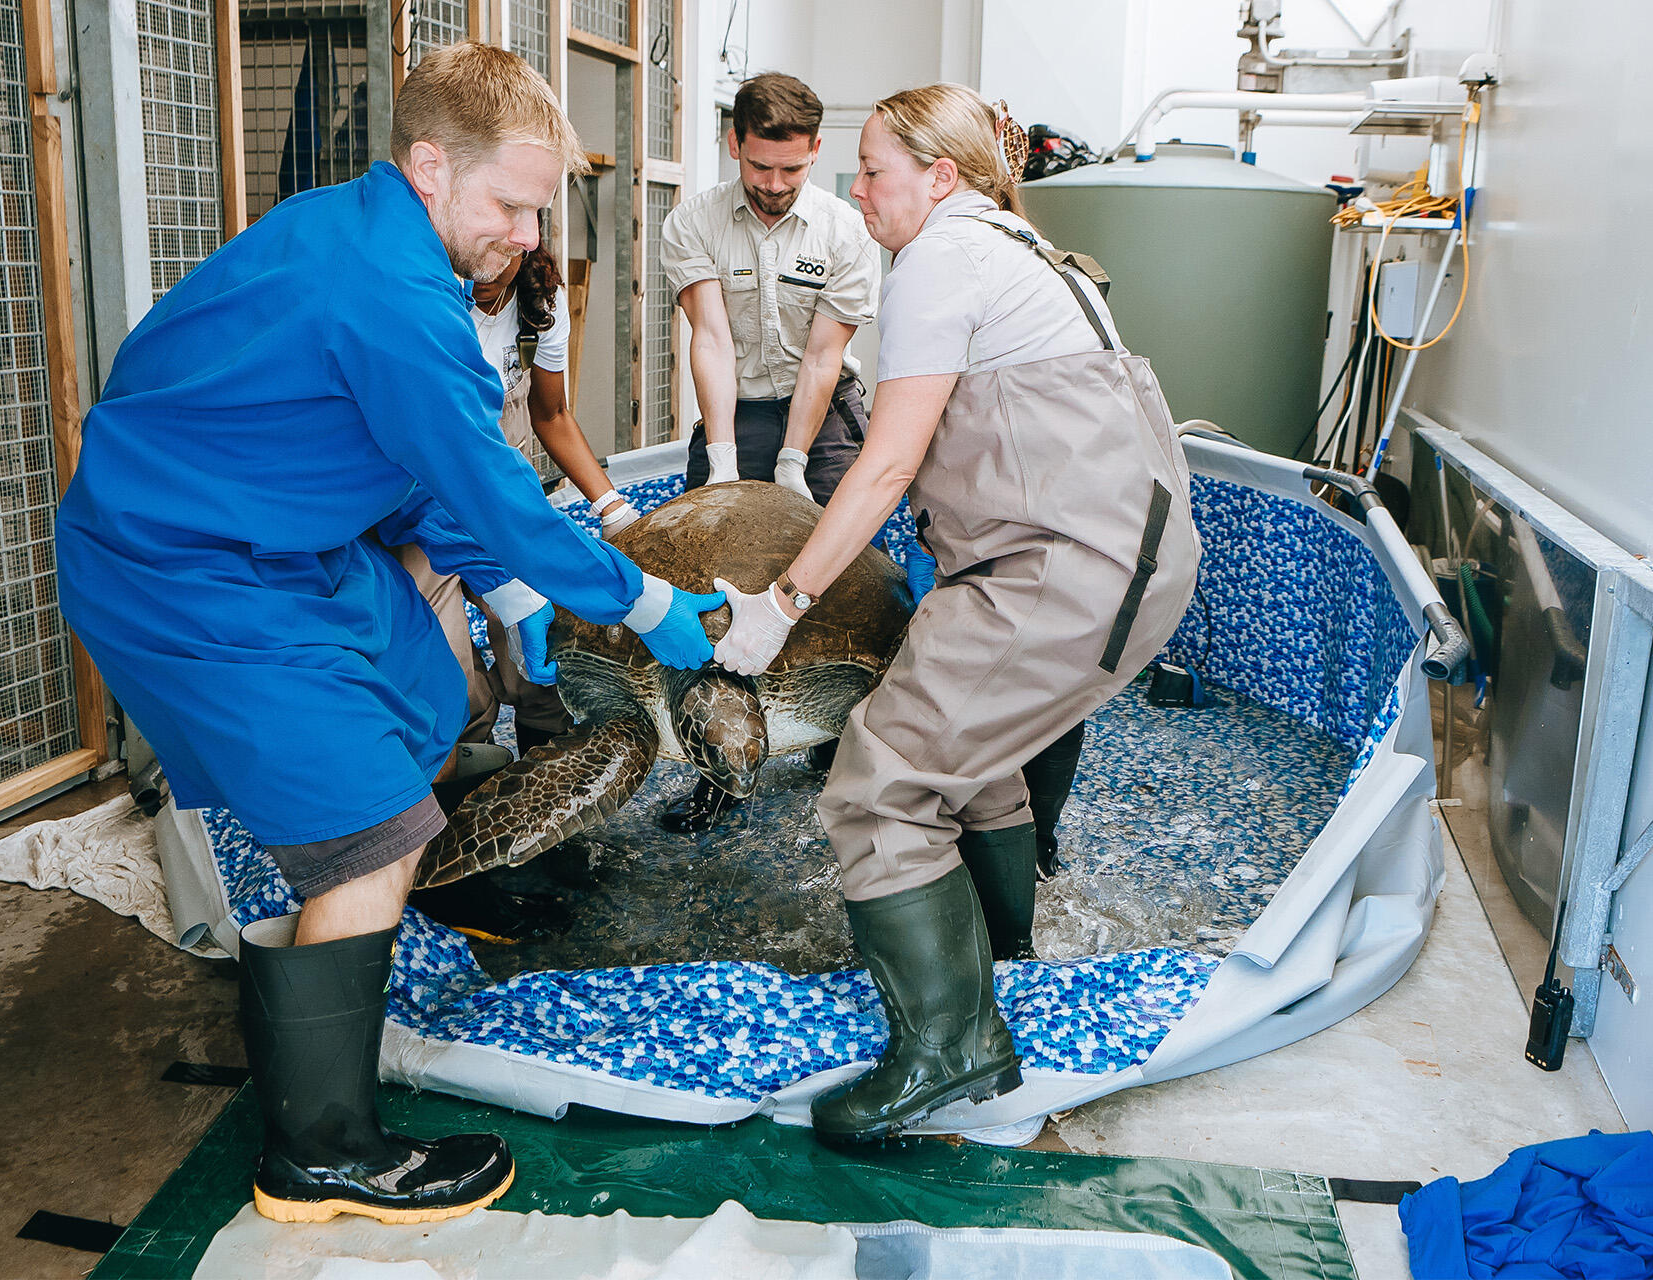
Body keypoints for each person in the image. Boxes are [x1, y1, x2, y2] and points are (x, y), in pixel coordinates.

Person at [54, 44, 723, 1225]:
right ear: (429, 168)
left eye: (538, 207)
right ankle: (322, 1148)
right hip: (189, 568)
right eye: (512, 205)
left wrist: (505, 594)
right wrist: (643, 600)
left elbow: (421, 485)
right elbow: (493, 491)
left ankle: (374, 893)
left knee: (431, 691)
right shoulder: (398, 302)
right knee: (368, 835)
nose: (528, 234)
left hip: (281, 533)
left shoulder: (347, 229)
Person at [710, 84, 1201, 1145]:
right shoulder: (1018, 247)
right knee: (968, 756)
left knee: (880, 778)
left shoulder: (942, 256)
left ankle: (948, 1049)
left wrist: (782, 605)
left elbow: (886, 462)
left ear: (939, 177)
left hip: (1068, 568)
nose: (856, 189)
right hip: (1097, 557)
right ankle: (995, 971)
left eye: (873, 168)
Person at [656, 71, 882, 832]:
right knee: (705, 570)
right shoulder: (694, 222)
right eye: (759, 167)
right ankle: (718, 768)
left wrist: (794, 463)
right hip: (736, 403)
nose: (775, 184)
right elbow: (710, 339)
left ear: (817, 151)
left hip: (822, 411)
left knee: (844, 570)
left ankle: (840, 749)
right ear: (734, 146)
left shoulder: (847, 234)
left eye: (792, 168)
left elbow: (823, 361)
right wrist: (721, 456)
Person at [402, 240, 641, 942]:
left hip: (503, 499)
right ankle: (454, 873)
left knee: (551, 666)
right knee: (445, 684)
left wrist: (613, 510)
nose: (499, 244)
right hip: (419, 503)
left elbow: (551, 417)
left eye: (519, 223)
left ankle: (544, 833)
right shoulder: (424, 295)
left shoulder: (539, 303)